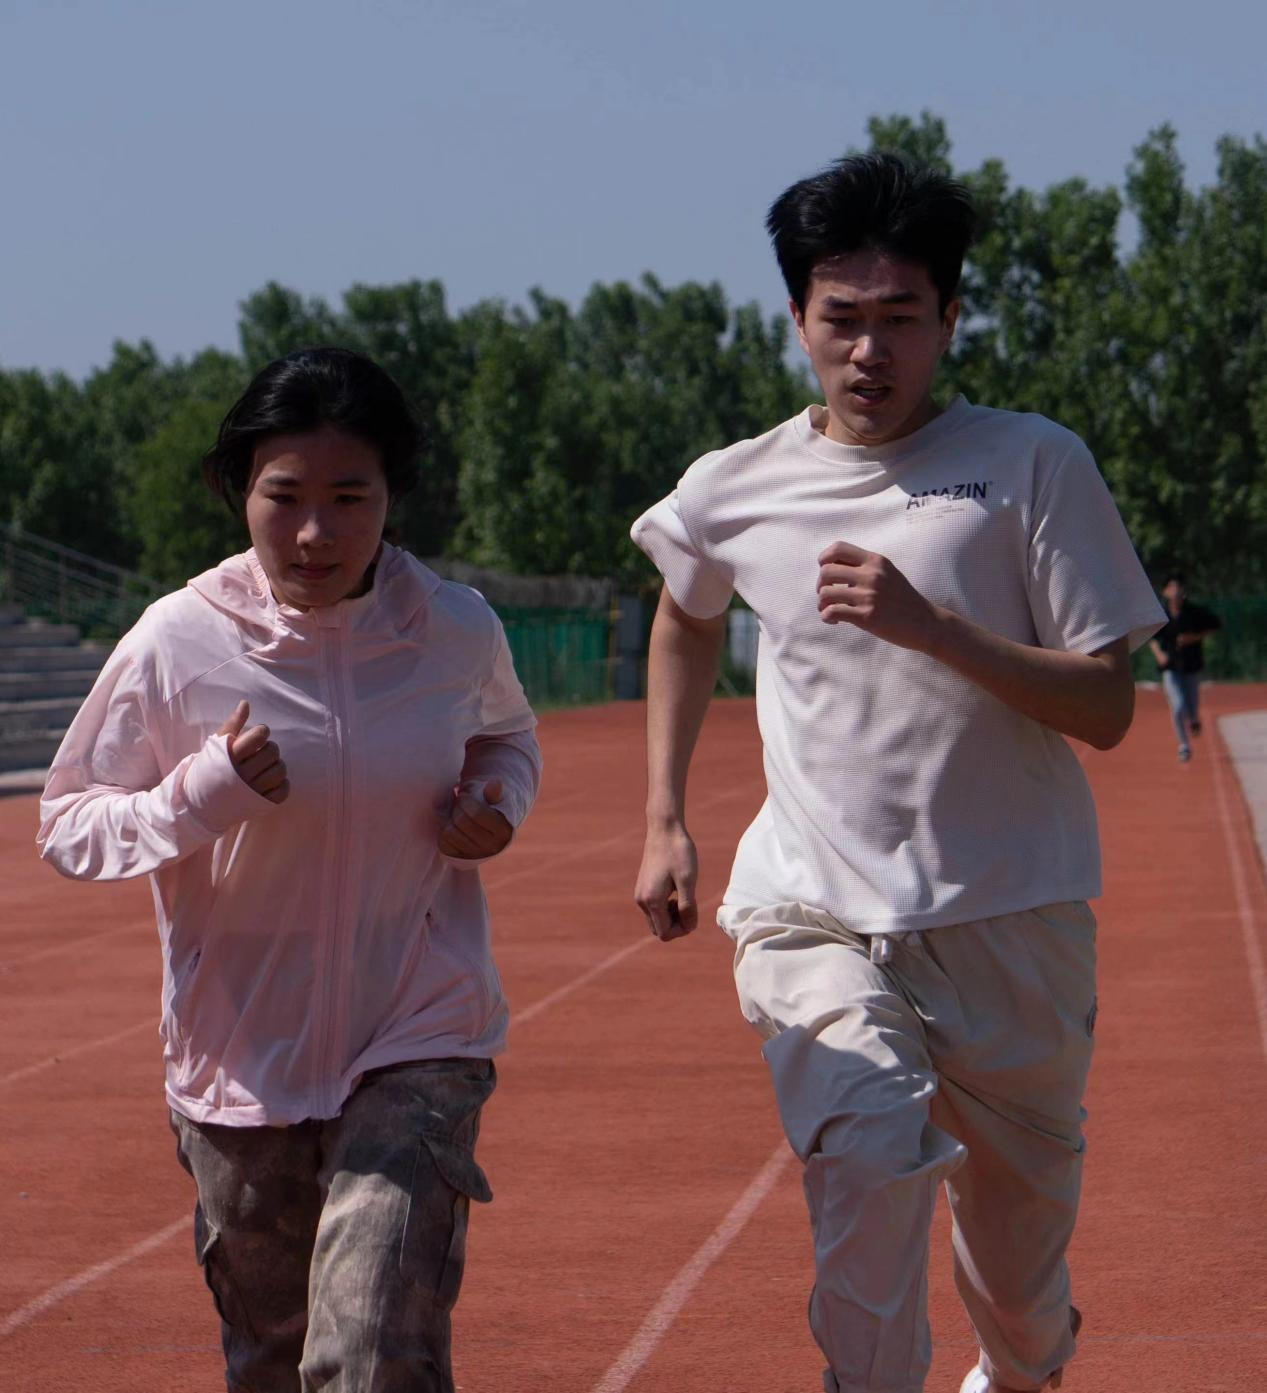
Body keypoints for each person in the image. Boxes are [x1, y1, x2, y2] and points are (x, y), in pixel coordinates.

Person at [630, 154, 1165, 1393]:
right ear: (797, 320)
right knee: (866, 1162)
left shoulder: (1030, 464)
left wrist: (935, 628)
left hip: (1010, 919)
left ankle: (1018, 1369)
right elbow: (685, 617)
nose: (869, 351)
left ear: (951, 318)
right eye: (842, 319)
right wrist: (662, 814)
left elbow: (1105, 706)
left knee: (1018, 1290)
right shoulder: (733, 487)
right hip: (811, 906)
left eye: (901, 318)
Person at [37, 347, 542, 1393]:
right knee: (272, 1357)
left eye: (349, 498)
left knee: (370, 1342)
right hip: (241, 1057)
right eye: (285, 496)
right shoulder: (176, 641)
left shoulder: (452, 629)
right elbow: (69, 824)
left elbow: (504, 736)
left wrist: (495, 801)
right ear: (239, 491)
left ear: (394, 495)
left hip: (418, 1028)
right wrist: (201, 791)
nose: (315, 532)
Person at [1150, 572, 1221, 761]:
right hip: (1170, 667)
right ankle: (1184, 745)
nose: (1176, 591)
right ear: (1165, 591)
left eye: (1179, 587)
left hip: (1191, 666)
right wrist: (1159, 655)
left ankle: (1195, 720)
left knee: (1192, 707)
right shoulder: (1161, 615)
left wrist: (1194, 637)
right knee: (1178, 706)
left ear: (1184, 591)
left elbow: (1216, 625)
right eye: (1172, 587)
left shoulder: (1194, 612)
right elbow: (1153, 638)